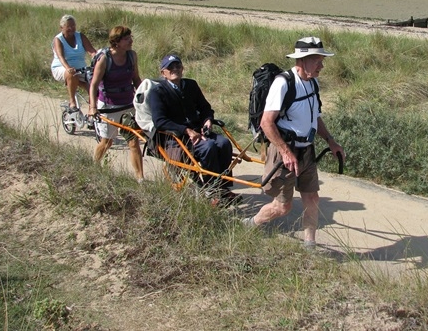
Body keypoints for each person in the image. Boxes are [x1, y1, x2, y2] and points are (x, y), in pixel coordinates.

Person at [242, 37, 345, 249]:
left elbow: (315, 117)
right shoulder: (283, 83)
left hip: (306, 149)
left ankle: (310, 245)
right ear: (303, 60)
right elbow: (266, 123)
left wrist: (331, 141)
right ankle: (251, 224)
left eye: (321, 60)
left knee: (312, 198)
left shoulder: (313, 83)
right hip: (284, 152)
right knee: (283, 206)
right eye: (317, 60)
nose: (321, 66)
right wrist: (286, 152)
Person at [146, 54, 239, 204]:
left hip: (199, 131)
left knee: (224, 143)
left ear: (183, 69)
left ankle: (223, 188)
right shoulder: (157, 92)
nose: (175, 69)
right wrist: (186, 131)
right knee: (208, 147)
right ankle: (211, 190)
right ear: (163, 72)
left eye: (178, 66)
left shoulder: (191, 85)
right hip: (176, 138)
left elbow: (205, 108)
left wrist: (208, 120)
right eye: (170, 67)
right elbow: (159, 121)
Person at [88, 26, 144, 183]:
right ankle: (94, 167)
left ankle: (140, 178)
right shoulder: (105, 59)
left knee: (134, 142)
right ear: (117, 42)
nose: (131, 41)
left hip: (128, 104)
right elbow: (94, 85)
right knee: (107, 142)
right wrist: (93, 107)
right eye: (127, 39)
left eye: (130, 37)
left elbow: (136, 79)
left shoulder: (132, 56)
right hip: (108, 106)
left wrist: (143, 98)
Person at [51, 14, 97, 111]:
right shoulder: (58, 39)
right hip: (62, 67)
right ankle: (72, 102)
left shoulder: (80, 36)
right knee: (72, 75)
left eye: (73, 26)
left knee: (94, 81)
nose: (71, 29)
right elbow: (61, 57)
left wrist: (98, 57)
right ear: (61, 28)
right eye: (68, 27)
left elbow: (91, 51)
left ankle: (92, 109)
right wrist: (68, 68)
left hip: (81, 68)